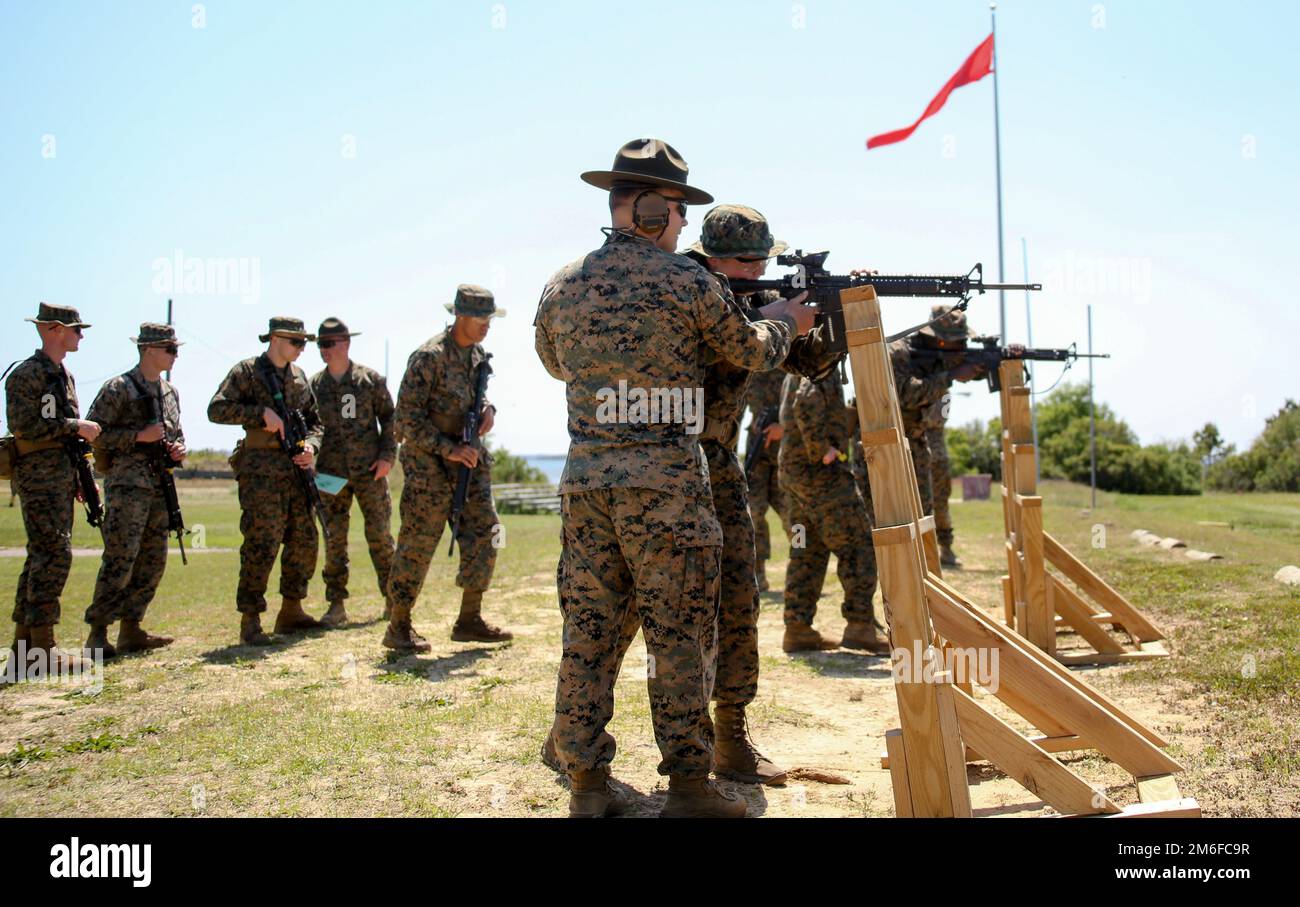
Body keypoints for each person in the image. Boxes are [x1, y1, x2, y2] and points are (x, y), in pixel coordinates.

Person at [534, 139, 815, 818]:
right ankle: (689, 786)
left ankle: (587, 785)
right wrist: (786, 322)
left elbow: (553, 362)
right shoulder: (688, 283)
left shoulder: (562, 283)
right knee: (680, 636)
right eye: (680, 210)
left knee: (589, 631)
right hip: (667, 486)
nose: (685, 223)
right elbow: (750, 350)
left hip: (586, 482)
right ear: (653, 210)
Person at [382, 285, 511, 652]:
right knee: (419, 540)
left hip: (468, 457)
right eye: (480, 318)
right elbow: (405, 419)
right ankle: (398, 625)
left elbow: (474, 397)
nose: (487, 324)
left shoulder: (478, 356)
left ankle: (469, 619)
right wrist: (448, 449)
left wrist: (488, 410)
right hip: (429, 462)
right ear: (459, 316)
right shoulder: (429, 357)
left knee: (487, 530)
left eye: (490, 318)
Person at [208, 316, 325, 645]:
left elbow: (316, 422)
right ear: (275, 339)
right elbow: (216, 409)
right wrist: (259, 415)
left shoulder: (299, 377)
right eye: (296, 342)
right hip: (261, 471)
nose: (302, 348)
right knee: (261, 542)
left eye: (304, 343)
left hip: (296, 471)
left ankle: (292, 610)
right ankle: (251, 619)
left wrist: (311, 447)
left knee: (304, 539)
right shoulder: (247, 372)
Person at [4, 303, 98, 672]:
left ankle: (24, 649)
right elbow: (24, 425)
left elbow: (67, 435)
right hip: (37, 476)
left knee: (41, 556)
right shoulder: (27, 374)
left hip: (60, 475)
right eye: (76, 329)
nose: (81, 336)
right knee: (53, 554)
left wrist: (81, 476)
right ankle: (42, 649)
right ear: (55, 329)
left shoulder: (64, 375)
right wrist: (76, 426)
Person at [82, 323, 187, 656]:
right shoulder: (119, 388)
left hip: (160, 486)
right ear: (148, 350)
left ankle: (131, 629)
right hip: (128, 485)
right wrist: (138, 437)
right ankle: (98, 633)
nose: (175, 355)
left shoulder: (170, 392)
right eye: (170, 349)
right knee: (120, 557)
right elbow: (93, 433)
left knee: (153, 559)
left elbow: (176, 432)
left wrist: (178, 449)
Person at [778, 371, 890, 654]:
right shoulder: (822, 361)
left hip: (794, 475)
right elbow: (806, 399)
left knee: (806, 550)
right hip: (822, 476)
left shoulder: (799, 362)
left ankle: (798, 628)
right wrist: (822, 448)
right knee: (860, 544)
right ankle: (860, 625)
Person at [309, 318, 397, 626]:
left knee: (380, 537)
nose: (323, 350)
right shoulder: (314, 386)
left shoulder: (369, 380)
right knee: (334, 539)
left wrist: (387, 457)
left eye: (328, 344)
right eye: (320, 345)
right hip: (329, 475)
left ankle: (393, 601)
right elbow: (307, 427)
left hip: (370, 472)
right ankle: (336, 605)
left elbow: (391, 419)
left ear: (345, 343)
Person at [742, 366, 789, 591]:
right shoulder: (751, 368)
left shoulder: (793, 367)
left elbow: (805, 407)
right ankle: (757, 573)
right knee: (754, 514)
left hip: (786, 455)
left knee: (796, 518)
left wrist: (784, 427)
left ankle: (804, 562)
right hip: (758, 453)